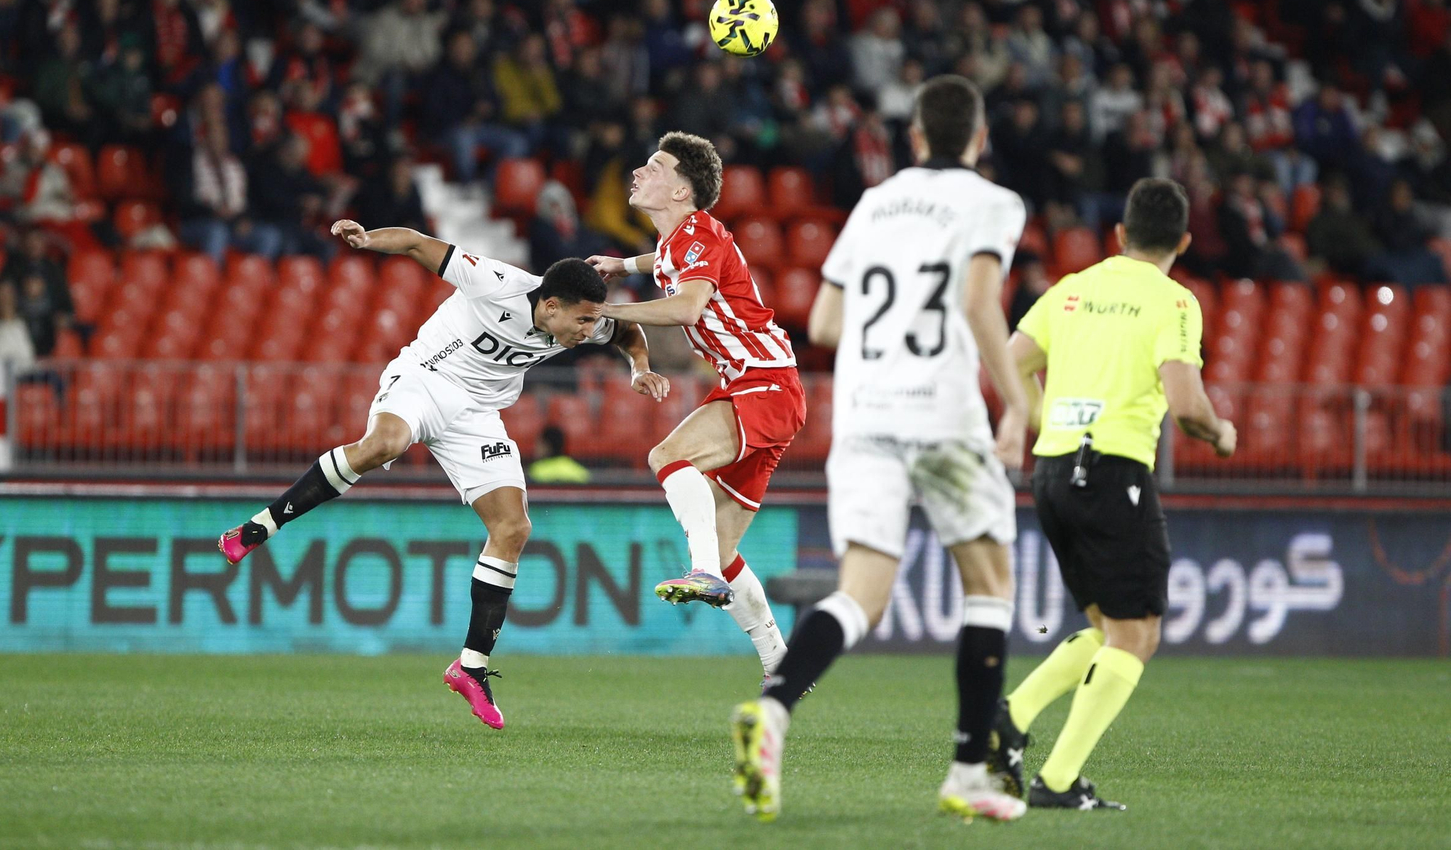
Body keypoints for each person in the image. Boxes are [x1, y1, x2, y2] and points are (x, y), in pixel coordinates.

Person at [217, 226, 667, 731]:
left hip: (477, 416)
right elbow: (415, 242)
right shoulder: (496, 283)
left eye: (592, 320)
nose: (588, 331)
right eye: (582, 320)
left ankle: (470, 668)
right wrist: (366, 241)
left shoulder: (583, 319)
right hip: (425, 380)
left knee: (513, 528)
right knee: (384, 444)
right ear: (550, 305)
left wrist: (638, 368)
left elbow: (626, 332)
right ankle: (258, 527)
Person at [727, 76, 1030, 823]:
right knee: (990, 583)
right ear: (980, 138)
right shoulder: (993, 202)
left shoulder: (874, 203)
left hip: (865, 413)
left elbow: (825, 323)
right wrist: (1019, 401)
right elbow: (978, 301)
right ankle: (968, 771)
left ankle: (775, 708)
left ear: (915, 137)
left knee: (860, 593)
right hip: (942, 410)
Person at [993, 178, 1237, 811]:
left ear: (1121, 234)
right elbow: (1187, 406)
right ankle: (1057, 780)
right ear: (1184, 241)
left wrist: (1046, 420)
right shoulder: (1174, 301)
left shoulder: (1071, 289)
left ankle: (1009, 720)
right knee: (1138, 635)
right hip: (1112, 472)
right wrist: (1221, 433)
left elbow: (1009, 361)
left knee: (1109, 629)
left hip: (1053, 474)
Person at [588, 132, 804, 679]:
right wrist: (623, 264)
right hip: (762, 387)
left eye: (654, 167)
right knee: (727, 549)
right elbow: (663, 259)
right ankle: (780, 664)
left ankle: (702, 571)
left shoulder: (699, 234)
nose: (639, 172)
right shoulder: (681, 241)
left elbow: (687, 308)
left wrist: (607, 310)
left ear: (682, 190)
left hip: (763, 381)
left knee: (667, 456)